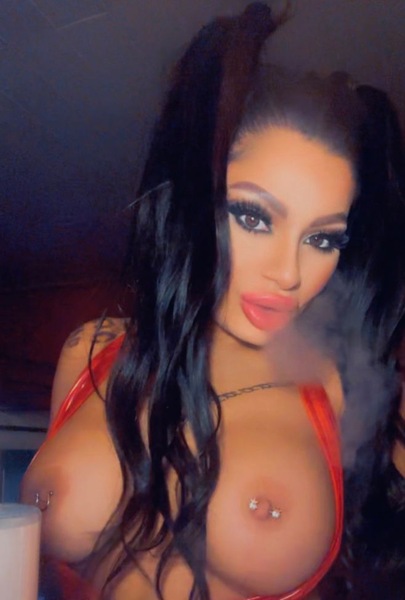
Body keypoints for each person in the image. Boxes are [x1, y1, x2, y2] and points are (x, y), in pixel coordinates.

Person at [21, 3, 405, 599]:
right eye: (253, 216)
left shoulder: (347, 390)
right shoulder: (90, 352)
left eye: (323, 239)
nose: (288, 273)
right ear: (193, 204)